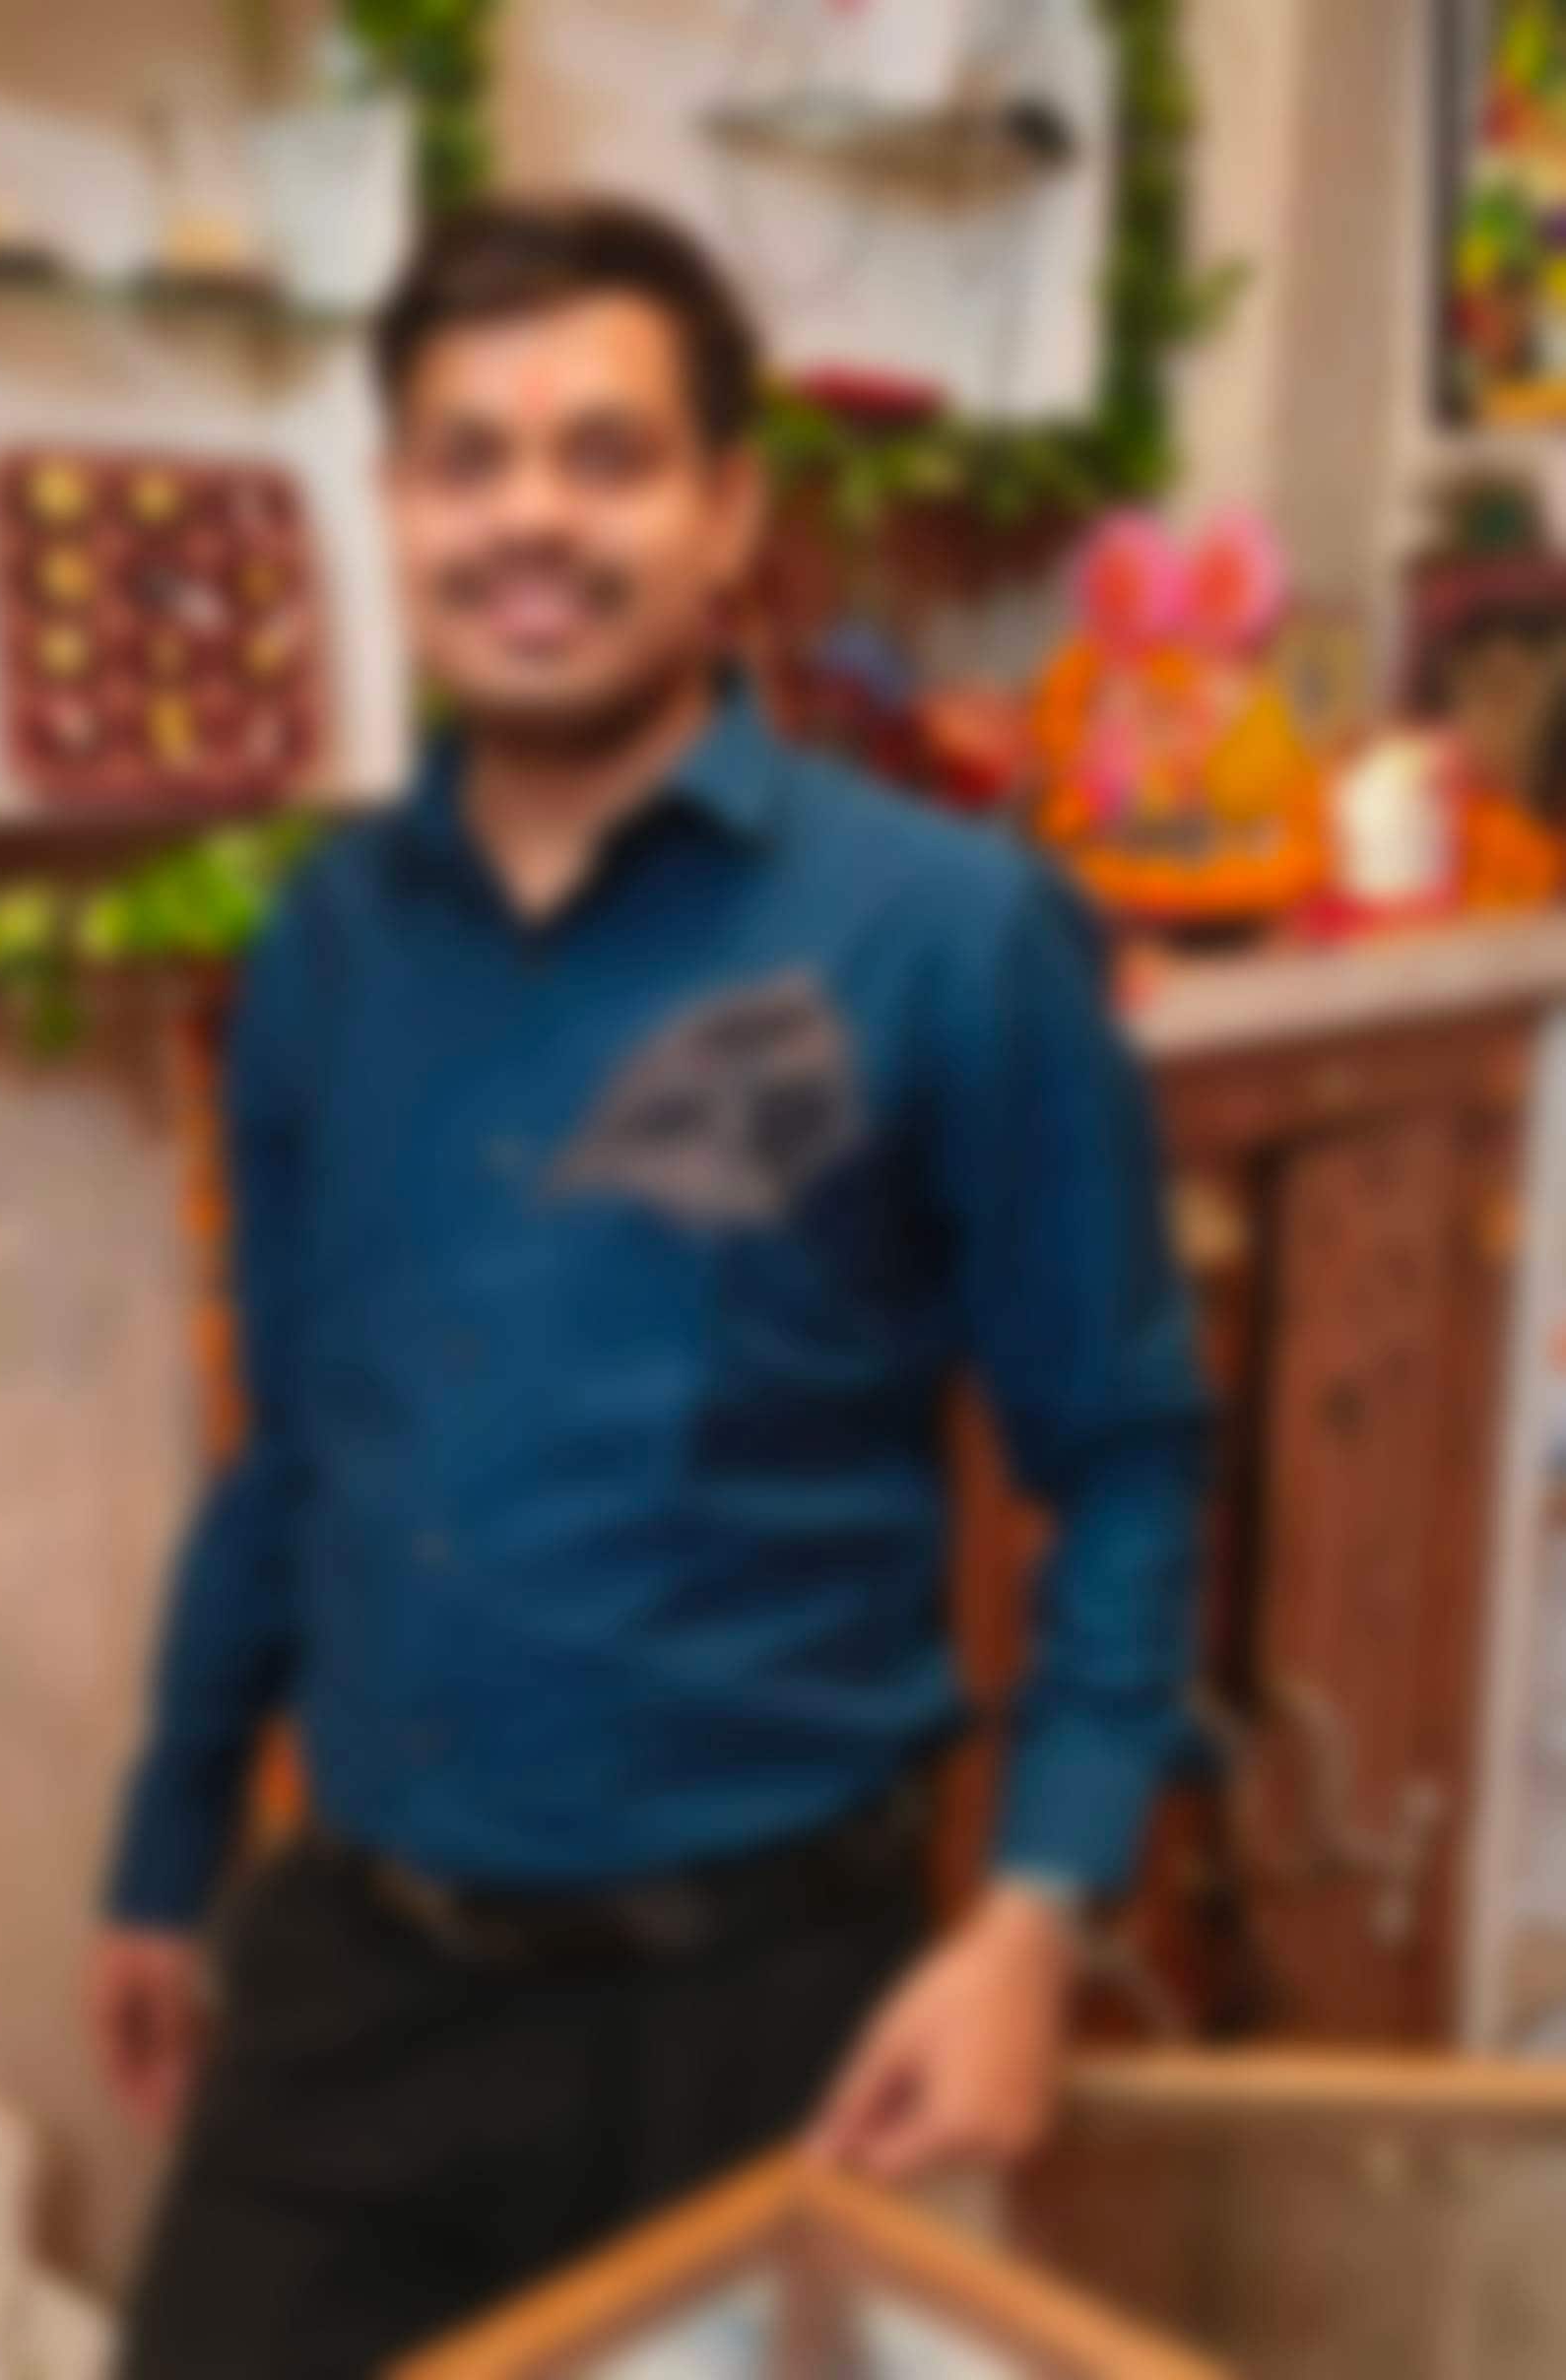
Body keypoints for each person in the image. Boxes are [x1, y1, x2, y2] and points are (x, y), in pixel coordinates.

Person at [91, 195, 1210, 2379]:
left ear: (730, 514)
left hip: (764, 2023)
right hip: (357, 1985)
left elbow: (1129, 1454)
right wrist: (164, 1840)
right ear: (395, 507)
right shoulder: (323, 941)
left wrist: (1037, 1919)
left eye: (605, 455)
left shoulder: (949, 935)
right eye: (467, 458)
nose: (530, 517)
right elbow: (298, 1442)